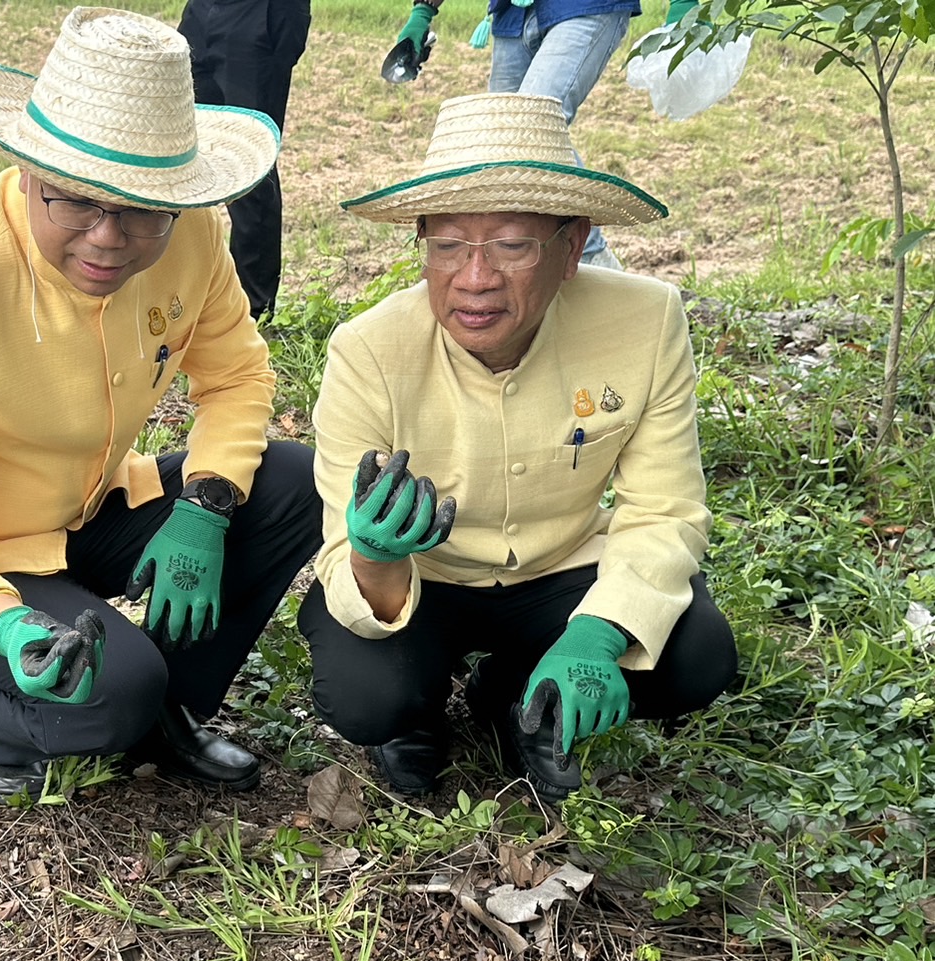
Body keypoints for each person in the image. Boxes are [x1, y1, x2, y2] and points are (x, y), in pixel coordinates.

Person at [0, 8, 322, 802]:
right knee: (105, 698)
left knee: (293, 482)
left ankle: (172, 706)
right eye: (75, 204)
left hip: (83, 502)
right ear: (26, 172)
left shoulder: (194, 236)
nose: (106, 238)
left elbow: (234, 378)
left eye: (139, 209)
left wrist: (205, 505)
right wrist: (6, 620)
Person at [299, 93, 737, 803]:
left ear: (571, 247)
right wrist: (376, 555)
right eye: (446, 245)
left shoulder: (643, 320)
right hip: (425, 578)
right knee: (365, 697)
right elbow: (338, 548)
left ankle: (511, 691)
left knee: (693, 658)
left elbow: (665, 506)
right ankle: (411, 718)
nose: (473, 278)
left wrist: (599, 631)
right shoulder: (368, 350)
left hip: (560, 565)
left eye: (511, 245)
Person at [394, 0, 638, 268]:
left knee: (534, 128)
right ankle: (532, 267)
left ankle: (592, 263)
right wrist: (423, 10)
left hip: (583, 6)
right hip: (513, 13)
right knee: (503, 141)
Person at [178, 0, 312, 319]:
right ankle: (177, 296)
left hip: (262, 14)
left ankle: (249, 312)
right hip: (201, 11)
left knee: (250, 158)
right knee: (176, 150)